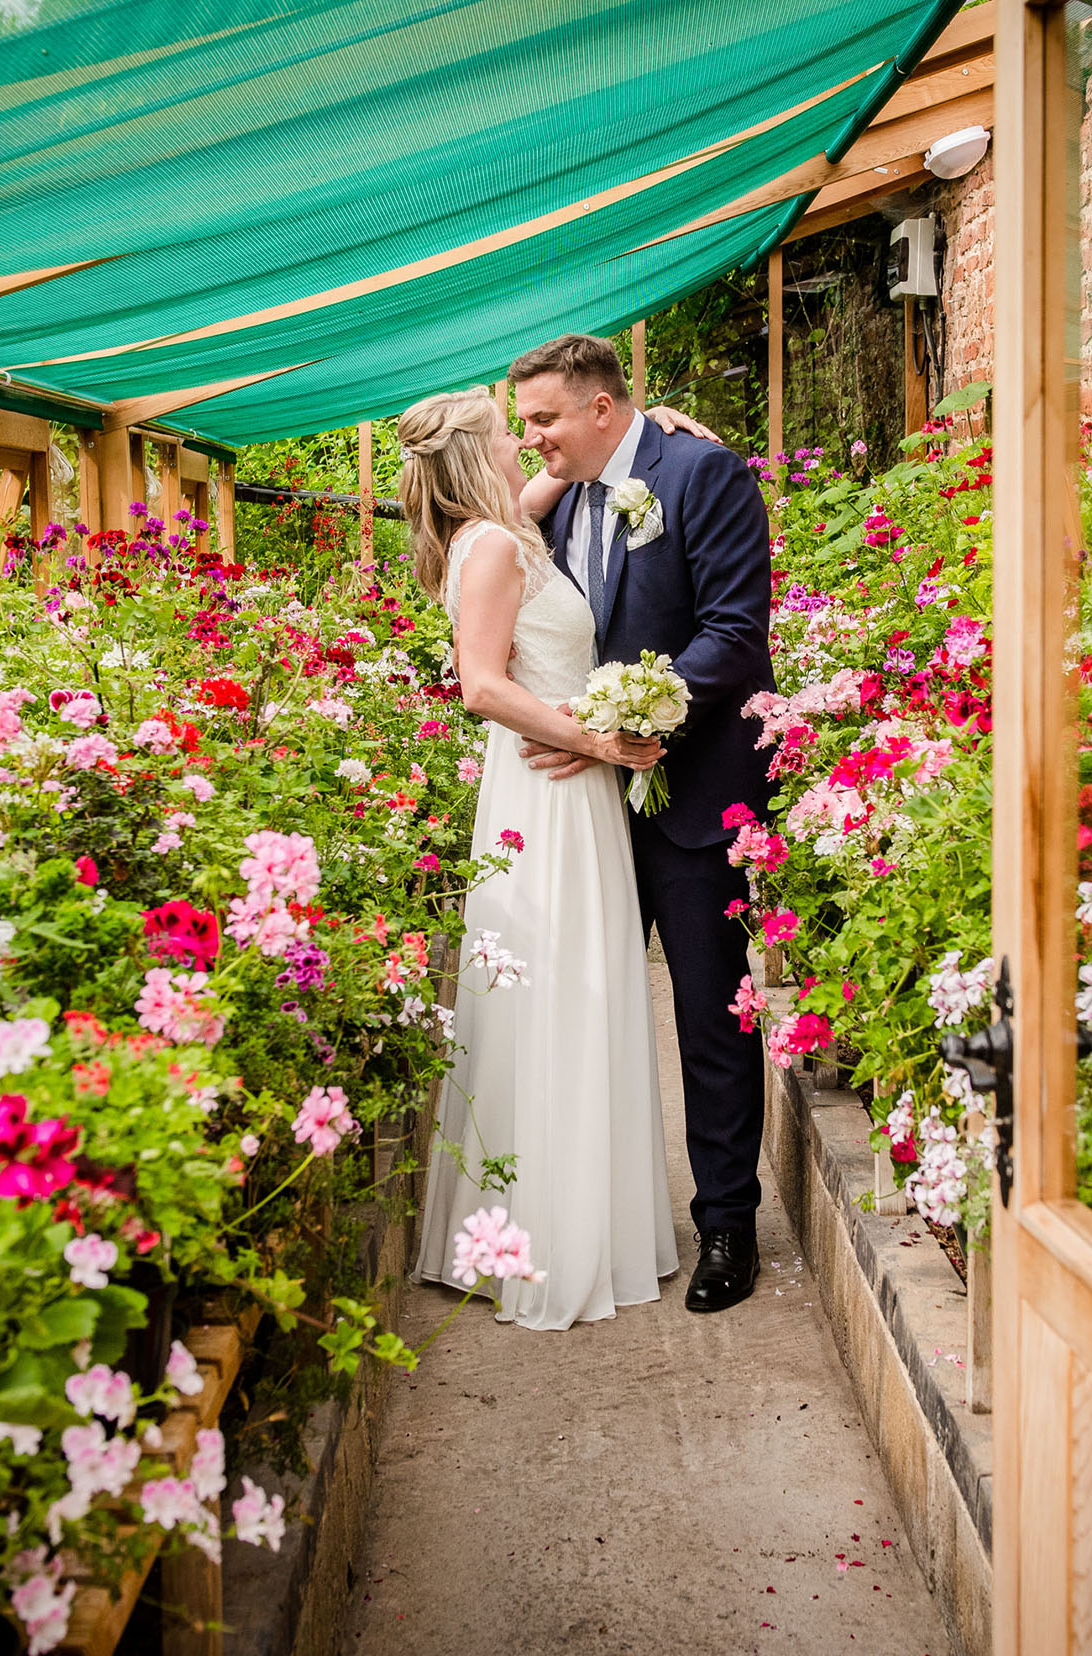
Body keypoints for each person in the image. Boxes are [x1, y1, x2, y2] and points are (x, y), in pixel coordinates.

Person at [399, 387, 707, 1329]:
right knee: (562, 995)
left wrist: (653, 424)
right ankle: (555, 1239)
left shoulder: (503, 527)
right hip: (551, 788)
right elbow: (482, 686)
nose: (524, 442)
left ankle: (571, 1216)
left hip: (567, 793)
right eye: (507, 433)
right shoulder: (491, 549)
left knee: (572, 990)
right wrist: (603, 739)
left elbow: (565, 466)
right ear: (475, 457)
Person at [508, 333, 779, 1315]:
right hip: (584, 811)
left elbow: (733, 634)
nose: (530, 436)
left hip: (693, 794)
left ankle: (724, 1226)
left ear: (602, 408)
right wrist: (582, 742)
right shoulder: (560, 496)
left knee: (708, 1017)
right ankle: (603, 1220)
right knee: (586, 1014)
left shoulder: (698, 471)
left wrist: (618, 720)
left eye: (544, 418)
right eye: (523, 421)